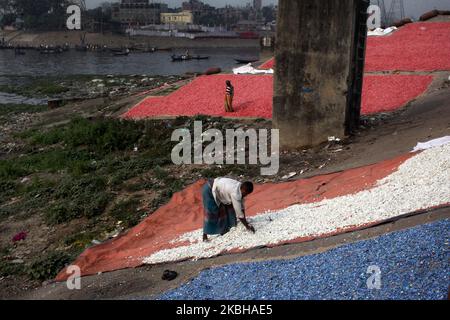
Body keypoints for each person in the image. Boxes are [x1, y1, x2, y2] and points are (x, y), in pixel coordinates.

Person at [202, 177, 255, 242]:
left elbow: (241, 207)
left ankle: (224, 229)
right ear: (243, 190)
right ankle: (205, 236)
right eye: (246, 193)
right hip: (209, 190)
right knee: (212, 213)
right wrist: (247, 226)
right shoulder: (235, 193)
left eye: (247, 194)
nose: (246, 195)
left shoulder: (240, 187)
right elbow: (239, 212)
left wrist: (246, 221)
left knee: (227, 208)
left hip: (217, 188)